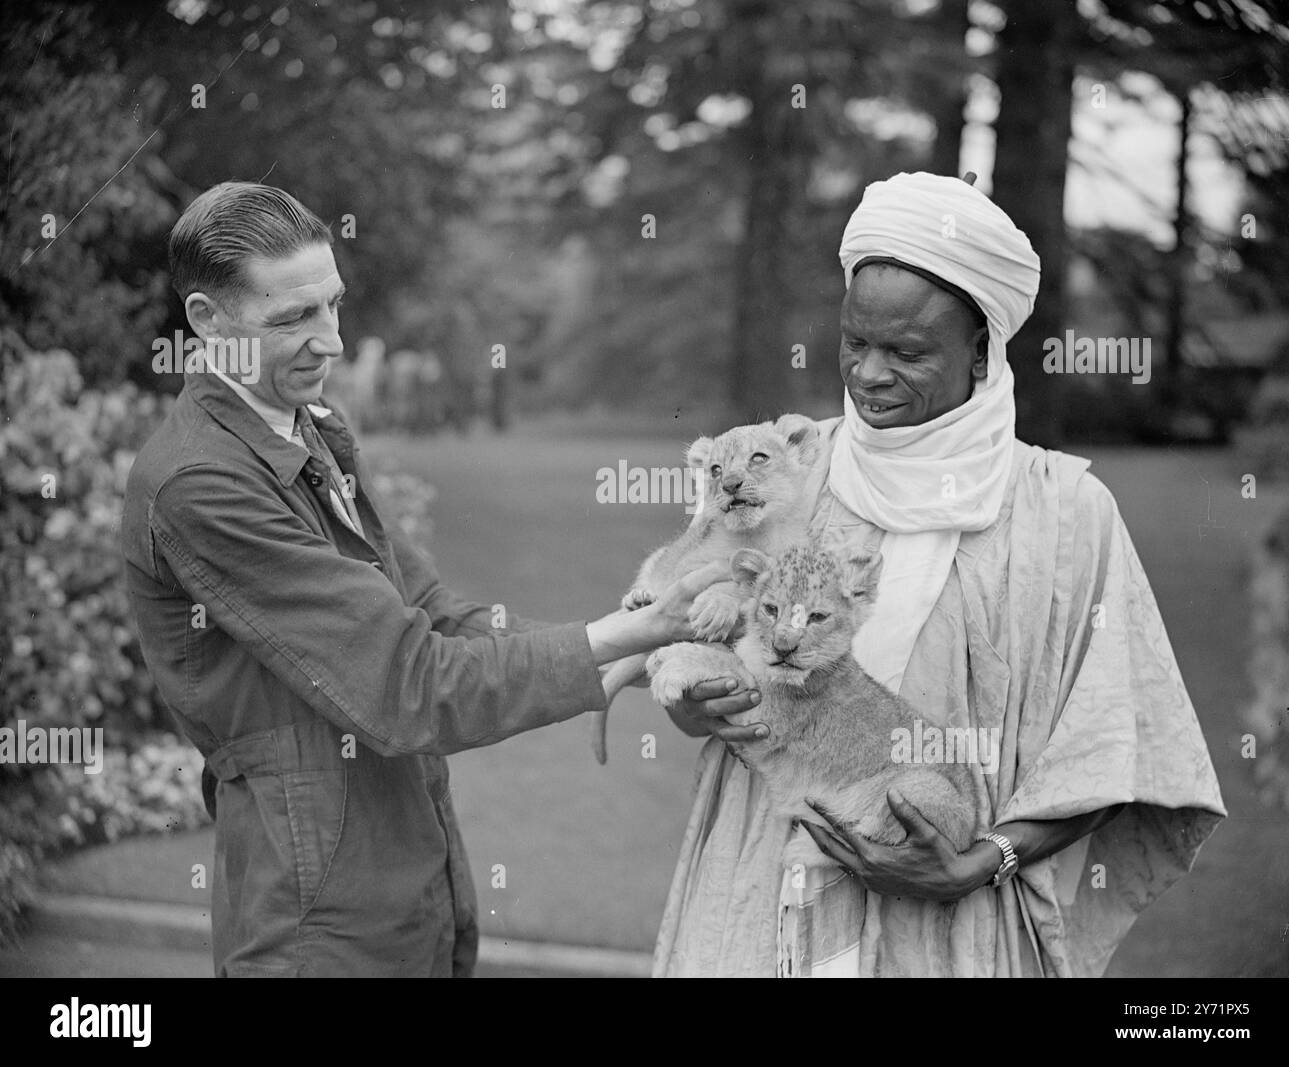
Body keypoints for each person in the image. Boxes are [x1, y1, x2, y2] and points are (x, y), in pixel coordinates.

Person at [121, 181, 723, 977]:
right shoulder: (201, 481)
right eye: (293, 318)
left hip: (402, 879)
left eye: (332, 305)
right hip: (312, 921)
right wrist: (628, 635)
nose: (331, 341)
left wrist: (634, 656)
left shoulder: (309, 427)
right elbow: (406, 684)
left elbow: (435, 613)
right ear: (206, 321)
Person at [653, 171, 1226, 978]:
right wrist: (690, 698)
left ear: (984, 350)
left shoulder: (1065, 514)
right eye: (854, 341)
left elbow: (1115, 740)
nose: (868, 375)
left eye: (908, 351)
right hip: (757, 902)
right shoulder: (787, 468)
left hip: (950, 931)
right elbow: (683, 631)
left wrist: (977, 860)